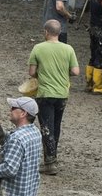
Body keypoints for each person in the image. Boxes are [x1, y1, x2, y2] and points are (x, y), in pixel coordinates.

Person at [28, 19, 80, 174]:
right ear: (59, 32)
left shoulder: (38, 48)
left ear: (46, 32)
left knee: (46, 127)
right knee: (56, 126)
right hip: (62, 94)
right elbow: (76, 71)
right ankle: (52, 158)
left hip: (45, 93)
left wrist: (42, 73)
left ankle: (50, 163)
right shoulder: (68, 49)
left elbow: (31, 72)